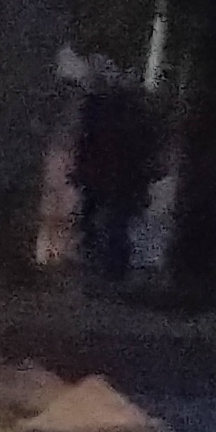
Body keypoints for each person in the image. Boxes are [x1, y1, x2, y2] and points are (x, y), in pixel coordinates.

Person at [74, 72, 162, 291]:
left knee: (108, 222)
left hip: (111, 178)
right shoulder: (137, 120)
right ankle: (110, 267)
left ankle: (107, 266)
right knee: (113, 223)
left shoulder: (104, 118)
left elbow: (89, 146)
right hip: (121, 179)